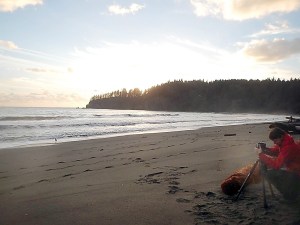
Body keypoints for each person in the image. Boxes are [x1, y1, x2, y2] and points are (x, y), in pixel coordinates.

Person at [258, 127, 300, 200]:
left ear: (281, 136)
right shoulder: (286, 141)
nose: (274, 142)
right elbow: (276, 151)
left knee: (268, 173)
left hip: (296, 173)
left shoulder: (288, 147)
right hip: (294, 171)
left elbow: (276, 165)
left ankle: (290, 194)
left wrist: (261, 155)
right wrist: (265, 150)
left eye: (275, 140)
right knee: (272, 172)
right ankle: (292, 190)